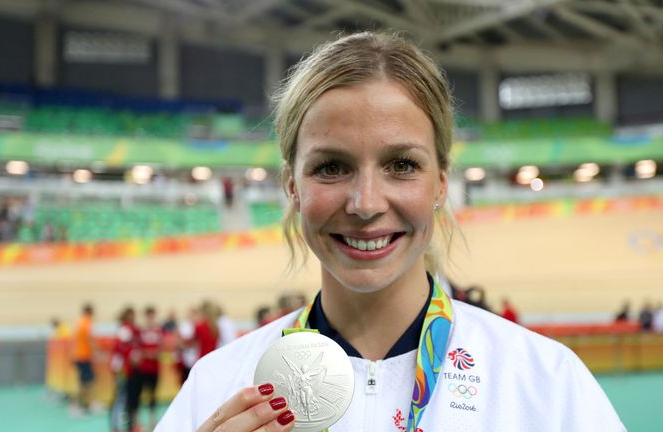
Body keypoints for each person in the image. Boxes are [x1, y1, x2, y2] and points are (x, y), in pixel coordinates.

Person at [156, 31, 625, 432]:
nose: (366, 204)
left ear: (441, 183)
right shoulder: (217, 386)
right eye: (331, 167)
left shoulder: (544, 381)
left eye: (401, 165)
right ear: (291, 186)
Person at [132, 306, 164, 430]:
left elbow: (162, 346)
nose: (151, 318)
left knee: (153, 395)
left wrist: (156, 353)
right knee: (139, 394)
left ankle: (152, 420)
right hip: (143, 368)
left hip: (154, 368)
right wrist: (147, 353)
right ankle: (138, 422)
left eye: (153, 316)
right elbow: (137, 348)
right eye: (149, 316)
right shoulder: (141, 331)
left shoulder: (158, 330)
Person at [70, 303, 96, 417]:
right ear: (89, 312)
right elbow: (89, 340)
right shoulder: (86, 323)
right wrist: (96, 350)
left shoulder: (79, 322)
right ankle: (77, 406)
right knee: (84, 383)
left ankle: (84, 405)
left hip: (78, 355)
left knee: (83, 382)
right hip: (83, 356)